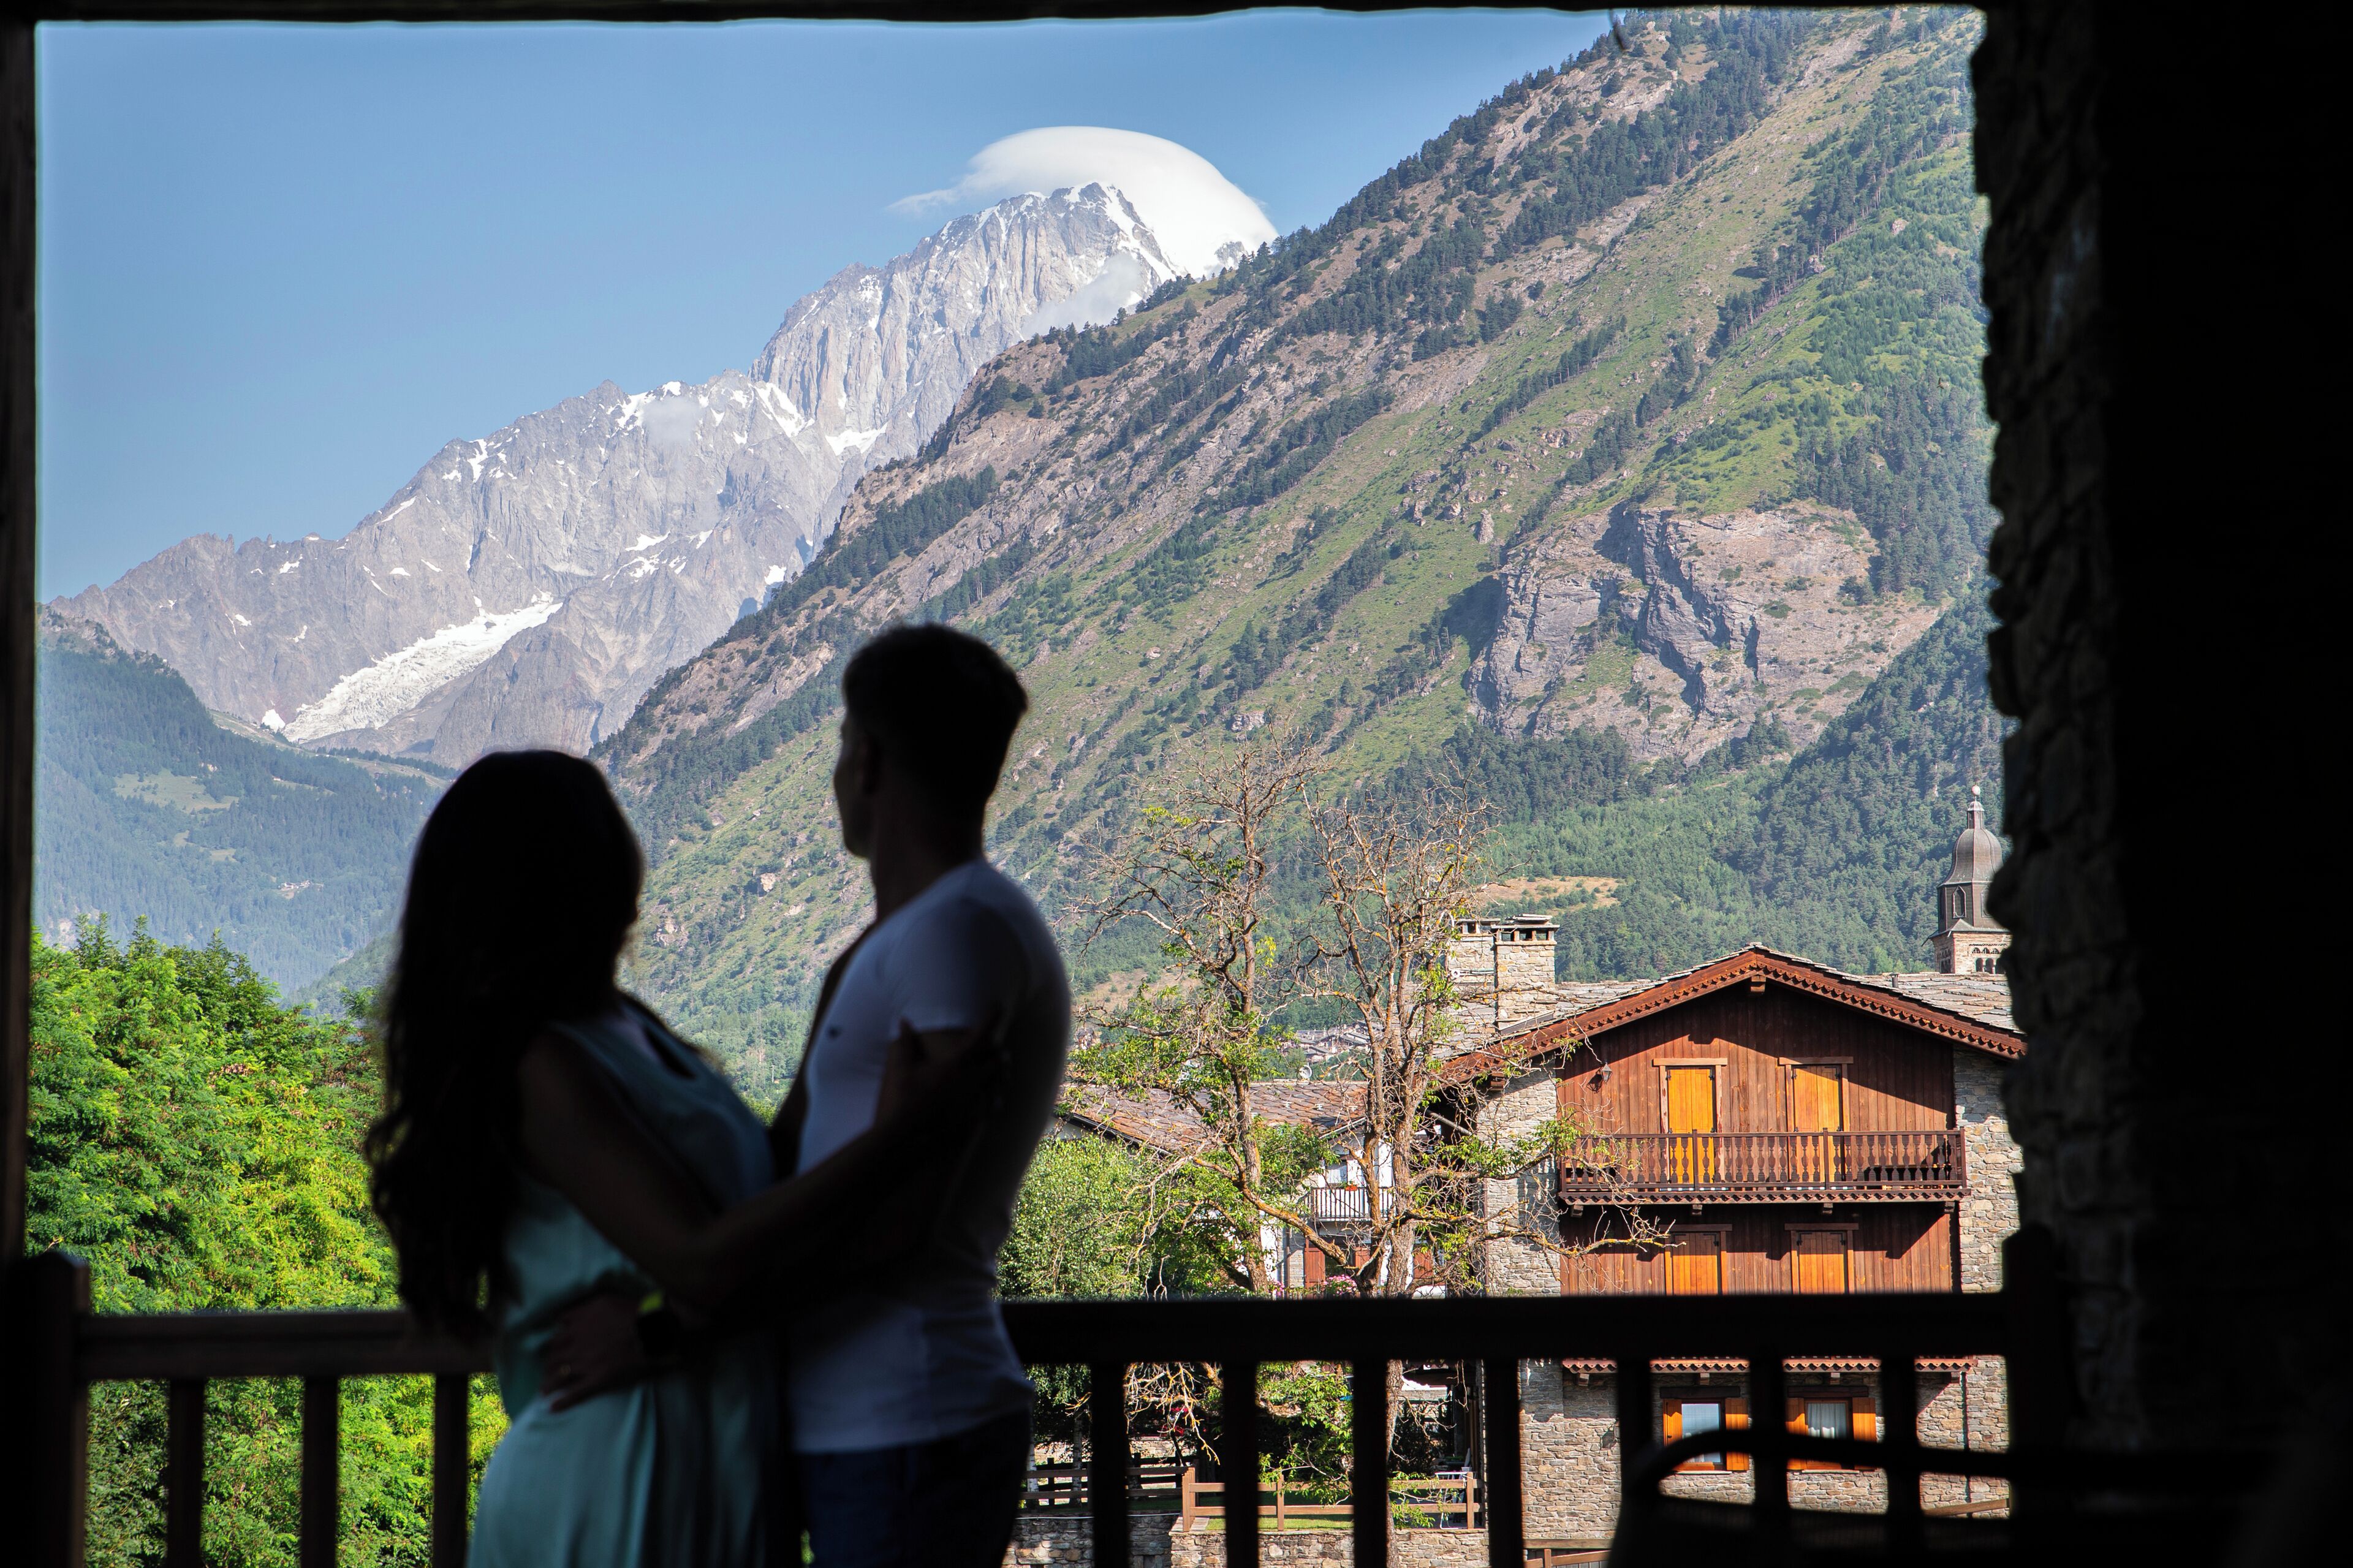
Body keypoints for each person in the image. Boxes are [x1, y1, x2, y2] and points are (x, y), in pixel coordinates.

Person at [367, 748, 994, 1568]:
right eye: (607, 827)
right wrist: (908, 1133)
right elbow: (703, 1259)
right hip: (613, 1476)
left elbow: (758, 1180)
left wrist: (855, 993)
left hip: (702, 1462)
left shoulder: (627, 1026)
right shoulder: (544, 1065)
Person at [540, 623, 1070, 1568]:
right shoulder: (904, 943)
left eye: (839, 746)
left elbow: (903, 1219)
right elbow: (798, 1167)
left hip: (907, 1421)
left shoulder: (958, 938)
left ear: (867, 762)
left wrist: (661, 1334)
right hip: (858, 1426)